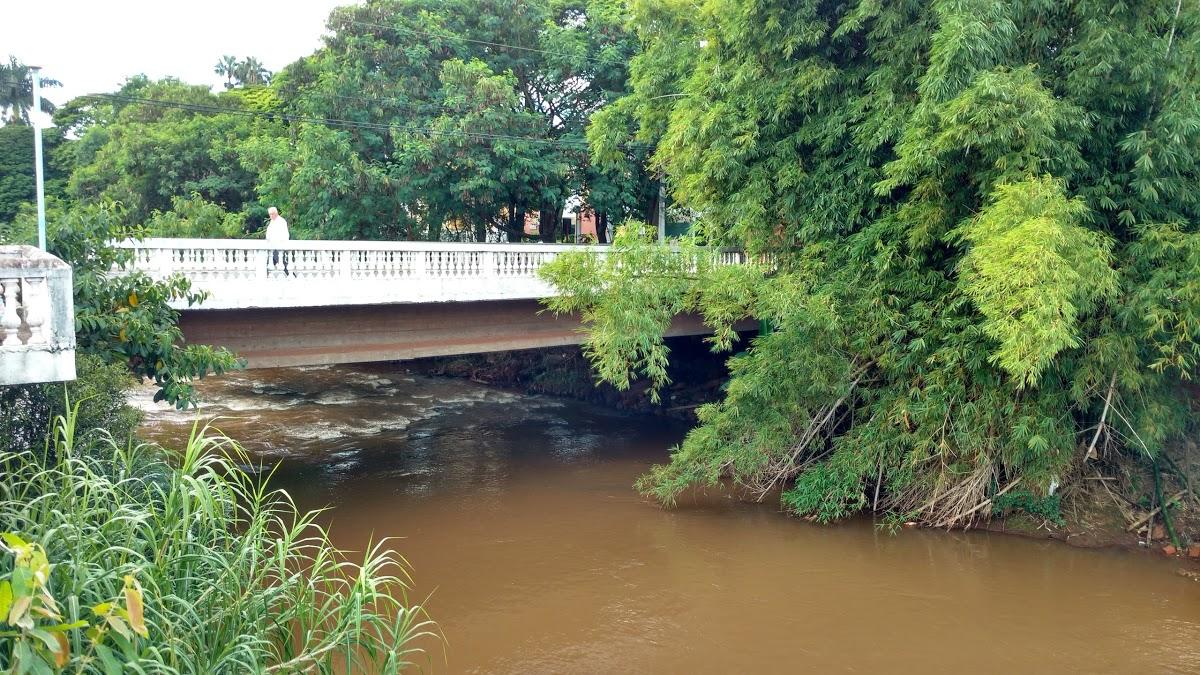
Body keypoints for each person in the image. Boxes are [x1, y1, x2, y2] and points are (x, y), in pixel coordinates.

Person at [265, 206, 290, 276]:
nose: (271, 216)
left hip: (278, 246)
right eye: (270, 214)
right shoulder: (272, 222)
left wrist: (283, 245)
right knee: (268, 263)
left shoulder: (281, 221)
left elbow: (285, 235)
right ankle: (264, 275)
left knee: (281, 262)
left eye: (272, 214)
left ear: (276, 213)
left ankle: (292, 275)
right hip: (272, 246)